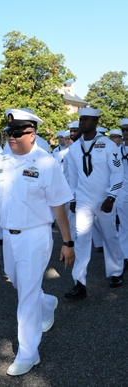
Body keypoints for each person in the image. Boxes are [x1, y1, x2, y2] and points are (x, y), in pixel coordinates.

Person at [0, 108, 74, 376]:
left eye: (18, 133)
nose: (12, 138)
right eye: (9, 133)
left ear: (33, 134)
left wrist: (68, 242)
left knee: (26, 296)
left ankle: (28, 353)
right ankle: (47, 302)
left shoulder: (46, 162)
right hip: (9, 237)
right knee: (18, 283)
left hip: (36, 235)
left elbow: (59, 207)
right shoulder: (0, 160)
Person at [65, 107, 124, 300]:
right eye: (81, 119)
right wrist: (73, 198)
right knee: (81, 240)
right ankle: (79, 283)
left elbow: (118, 174)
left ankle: (116, 272)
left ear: (95, 123)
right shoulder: (73, 149)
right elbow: (71, 178)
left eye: (86, 120)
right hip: (83, 201)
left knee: (110, 237)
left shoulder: (108, 145)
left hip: (104, 201)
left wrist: (111, 196)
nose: (82, 123)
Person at [116, 119, 128, 270]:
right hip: (123, 190)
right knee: (124, 226)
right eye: (123, 129)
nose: (125, 132)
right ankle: (125, 256)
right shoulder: (117, 150)